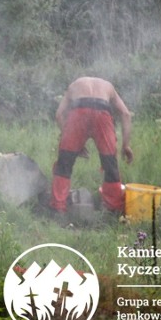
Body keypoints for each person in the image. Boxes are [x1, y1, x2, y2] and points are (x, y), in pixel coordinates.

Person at [50, 76, 134, 216]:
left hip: (78, 111)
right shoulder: (108, 86)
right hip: (102, 112)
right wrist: (126, 146)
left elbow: (59, 115)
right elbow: (125, 114)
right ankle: (112, 209)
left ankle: (58, 208)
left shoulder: (74, 84)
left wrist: (70, 137)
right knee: (110, 164)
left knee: (64, 162)